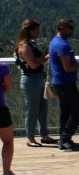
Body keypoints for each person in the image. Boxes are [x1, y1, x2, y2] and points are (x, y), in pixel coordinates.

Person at [48, 18, 79, 151]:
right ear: (62, 27)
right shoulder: (62, 45)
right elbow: (68, 68)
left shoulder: (55, 42)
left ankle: (63, 138)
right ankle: (65, 138)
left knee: (66, 111)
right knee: (78, 109)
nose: (72, 31)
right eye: (70, 28)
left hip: (59, 82)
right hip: (65, 83)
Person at [15, 18, 54, 147]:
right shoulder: (25, 46)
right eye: (36, 30)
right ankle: (30, 138)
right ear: (30, 31)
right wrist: (45, 55)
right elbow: (33, 64)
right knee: (32, 109)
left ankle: (44, 134)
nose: (38, 32)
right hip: (30, 80)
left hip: (36, 78)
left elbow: (36, 61)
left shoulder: (30, 43)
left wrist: (42, 57)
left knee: (42, 107)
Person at [0, 59, 20, 175]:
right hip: (0, 109)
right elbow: (9, 88)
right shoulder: (2, 67)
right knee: (7, 142)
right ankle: (6, 174)